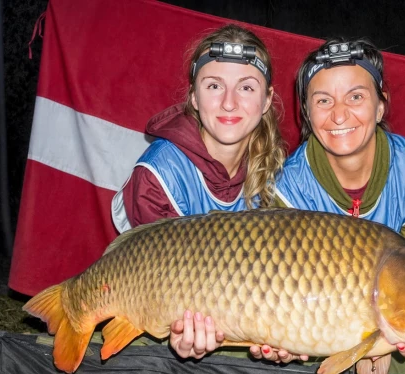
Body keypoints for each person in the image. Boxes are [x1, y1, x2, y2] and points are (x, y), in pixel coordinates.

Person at [173, 38, 405, 374]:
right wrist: (277, 341)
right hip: (317, 334)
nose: (339, 114)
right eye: (323, 100)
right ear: (307, 112)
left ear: (380, 105)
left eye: (356, 96)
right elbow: (269, 296)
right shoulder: (286, 189)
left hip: (381, 326)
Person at [111, 24, 285, 231]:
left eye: (246, 87)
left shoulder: (277, 169)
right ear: (194, 97)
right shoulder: (159, 176)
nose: (229, 103)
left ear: (267, 100)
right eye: (214, 86)